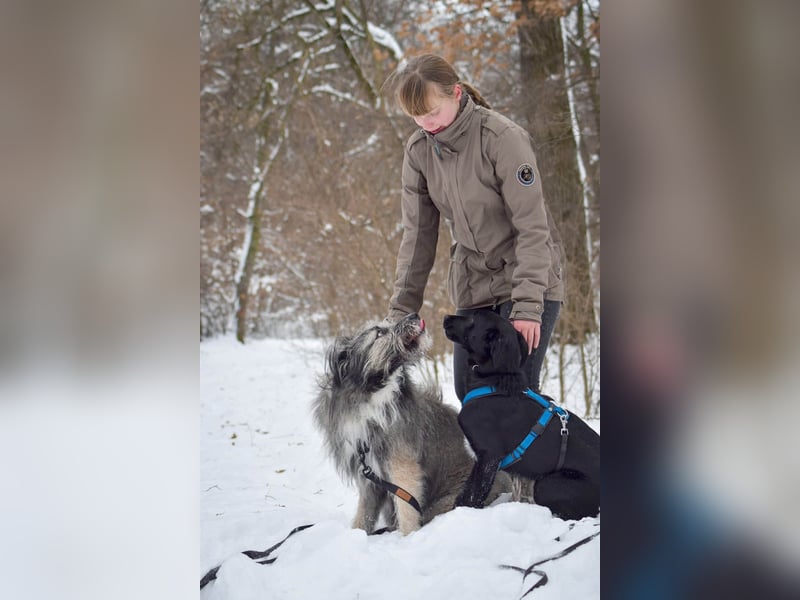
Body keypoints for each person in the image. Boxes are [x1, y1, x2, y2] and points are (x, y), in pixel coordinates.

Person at [383, 54, 565, 399]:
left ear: (455, 92)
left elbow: (532, 226)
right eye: (416, 116)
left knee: (514, 394)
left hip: (526, 278)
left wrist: (527, 306)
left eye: (432, 111)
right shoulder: (419, 151)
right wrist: (401, 314)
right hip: (474, 284)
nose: (425, 122)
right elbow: (418, 235)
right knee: (471, 393)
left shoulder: (501, 138)